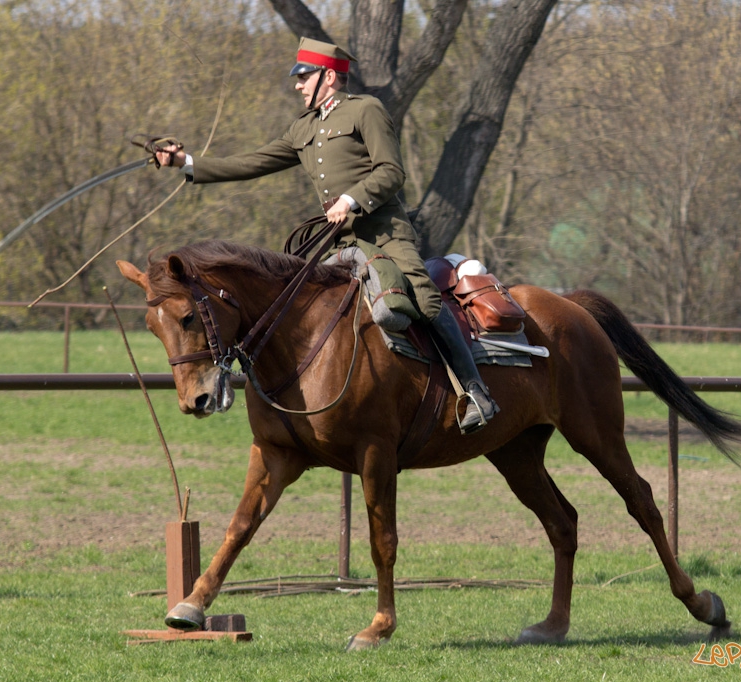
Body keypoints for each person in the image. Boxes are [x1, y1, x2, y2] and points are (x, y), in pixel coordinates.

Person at [154, 37, 498, 433]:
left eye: (304, 77)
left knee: (424, 297)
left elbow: (391, 171)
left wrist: (352, 199)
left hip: (385, 235)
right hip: (339, 245)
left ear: (328, 77)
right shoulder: (303, 128)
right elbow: (250, 163)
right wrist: (185, 162)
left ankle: (475, 392)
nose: (298, 85)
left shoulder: (365, 110)